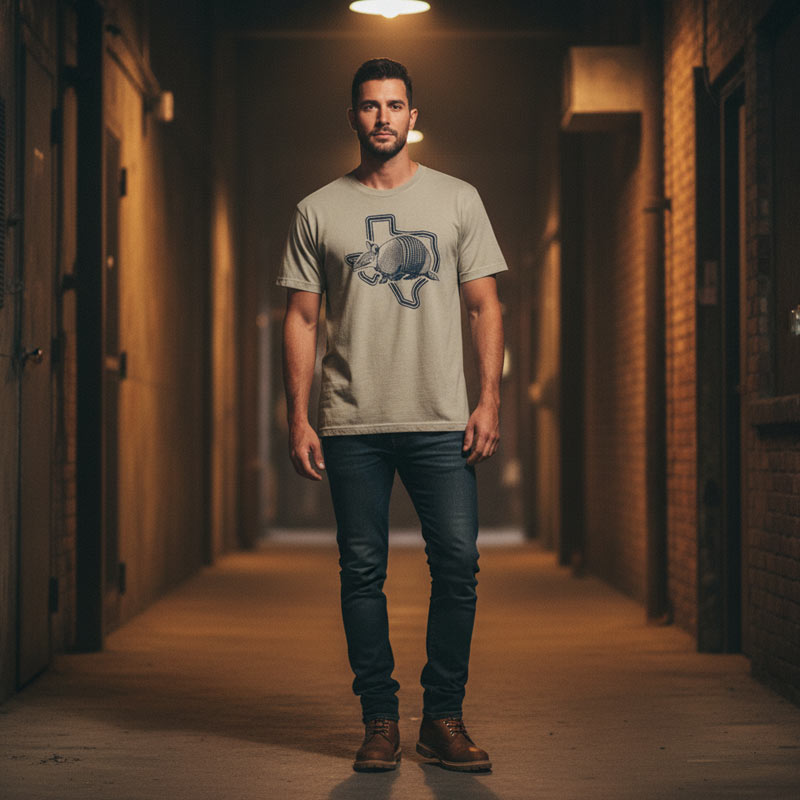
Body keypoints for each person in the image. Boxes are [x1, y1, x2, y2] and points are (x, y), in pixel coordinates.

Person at [278, 57, 507, 773]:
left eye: (395, 105)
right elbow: (301, 319)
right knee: (361, 572)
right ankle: (379, 720)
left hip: (440, 418)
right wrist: (298, 416)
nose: (383, 117)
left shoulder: (458, 200)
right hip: (353, 422)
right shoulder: (318, 209)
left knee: (459, 566)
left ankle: (442, 717)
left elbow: (484, 305)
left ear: (413, 116)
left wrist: (488, 398)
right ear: (353, 116)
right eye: (370, 106)